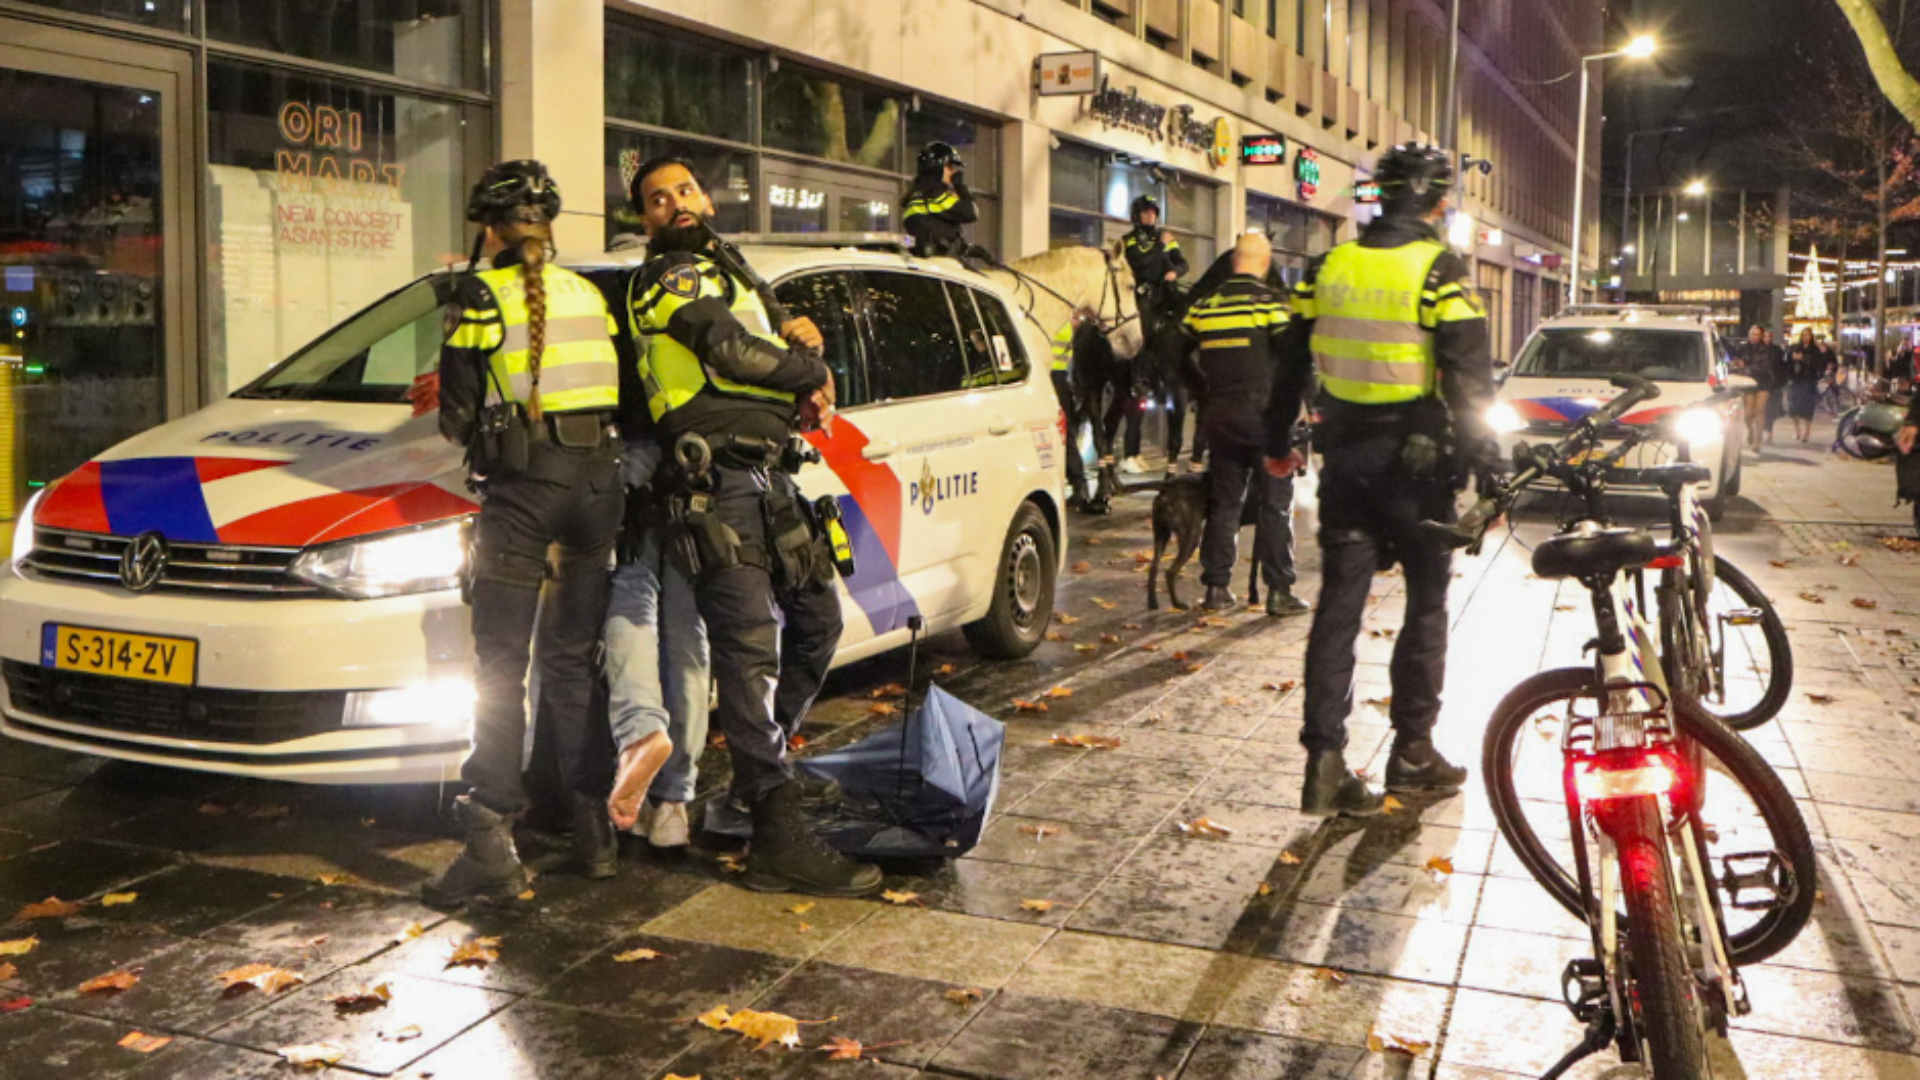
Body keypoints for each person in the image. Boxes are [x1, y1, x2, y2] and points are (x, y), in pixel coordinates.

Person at [626, 155, 881, 896]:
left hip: (769, 479)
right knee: (747, 653)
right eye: (655, 199)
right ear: (643, 218)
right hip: (716, 488)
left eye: (684, 190)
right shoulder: (667, 276)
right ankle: (773, 832)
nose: (674, 203)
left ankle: (755, 776)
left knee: (818, 622)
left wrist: (796, 350)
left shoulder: (732, 277)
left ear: (705, 197)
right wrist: (805, 367)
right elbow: (727, 350)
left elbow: (761, 355)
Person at [1263, 144, 1499, 818]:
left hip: (1346, 464)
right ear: (1437, 202)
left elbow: (1288, 369)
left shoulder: (1328, 266)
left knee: (1339, 608)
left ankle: (1325, 762)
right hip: (1417, 468)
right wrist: (1491, 473)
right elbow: (1471, 382)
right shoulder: (1439, 271)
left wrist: (1279, 443)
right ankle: (1413, 750)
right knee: (1424, 606)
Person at [420, 160, 625, 905]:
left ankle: (489, 843)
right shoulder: (588, 292)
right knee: (570, 664)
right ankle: (590, 831)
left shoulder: (479, 293)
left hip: (525, 491)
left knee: (500, 665)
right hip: (597, 487)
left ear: (489, 228)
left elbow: (456, 414)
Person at [1181, 232, 1309, 617]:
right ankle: (1279, 590)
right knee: (1275, 503)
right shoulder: (1269, 304)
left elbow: (1172, 350)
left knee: (1225, 502)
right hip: (1265, 418)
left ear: (1234, 260)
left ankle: (1216, 587)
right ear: (1264, 262)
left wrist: (1202, 390)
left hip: (1220, 416)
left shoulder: (1206, 307)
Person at [1119, 194, 1194, 474]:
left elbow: (1181, 262)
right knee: (1145, 328)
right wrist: (1161, 250)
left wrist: (1176, 270)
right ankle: (1140, 374)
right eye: (1146, 213)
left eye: (1153, 213)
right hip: (1144, 296)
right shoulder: (1130, 241)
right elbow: (1143, 266)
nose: (1150, 217)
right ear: (1137, 216)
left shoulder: (1166, 238)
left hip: (1166, 292)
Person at [1051, 307, 1105, 514]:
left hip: (1052, 378)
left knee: (1064, 435)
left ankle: (1077, 485)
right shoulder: (1070, 328)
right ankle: (1078, 485)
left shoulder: (1057, 324)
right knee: (1067, 434)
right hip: (1060, 380)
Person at [901, 142, 978, 259]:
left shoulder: (917, 192)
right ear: (937, 166)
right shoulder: (934, 194)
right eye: (949, 167)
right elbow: (971, 212)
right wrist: (960, 186)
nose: (952, 172)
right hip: (940, 261)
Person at [1733, 325, 1780, 449]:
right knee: (1748, 413)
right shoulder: (1742, 348)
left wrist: (1745, 367)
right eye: (1753, 334)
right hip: (1748, 381)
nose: (1755, 337)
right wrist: (1737, 363)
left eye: (1758, 334)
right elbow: (1735, 360)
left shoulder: (1766, 350)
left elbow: (1764, 366)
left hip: (1763, 380)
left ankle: (1758, 440)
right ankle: (1751, 430)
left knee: (1760, 410)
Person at [1783, 328, 1824, 443]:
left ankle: (1807, 432)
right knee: (1794, 407)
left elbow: (1818, 365)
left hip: (1809, 381)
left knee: (1808, 408)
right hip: (1796, 380)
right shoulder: (1795, 347)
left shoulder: (1815, 350)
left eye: (1808, 335)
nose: (1806, 337)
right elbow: (1787, 362)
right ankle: (1797, 431)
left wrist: (1804, 359)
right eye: (1804, 335)